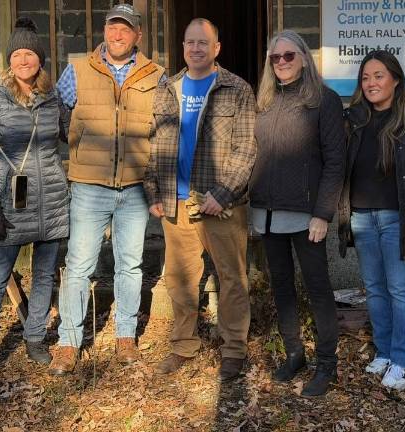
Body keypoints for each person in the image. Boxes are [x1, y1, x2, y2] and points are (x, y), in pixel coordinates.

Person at [48, 4, 165, 375]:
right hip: (88, 186)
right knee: (80, 265)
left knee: (130, 265)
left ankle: (126, 336)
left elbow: (163, 132)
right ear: (104, 31)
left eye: (125, 29)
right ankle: (68, 342)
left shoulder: (156, 76)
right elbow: (59, 116)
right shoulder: (77, 71)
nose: (117, 35)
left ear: (138, 36)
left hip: (134, 187)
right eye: (112, 28)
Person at [144, 18, 256, 382]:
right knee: (180, 278)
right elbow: (155, 143)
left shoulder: (235, 89)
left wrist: (222, 194)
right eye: (190, 42)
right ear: (183, 46)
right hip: (175, 202)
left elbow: (246, 149)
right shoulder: (168, 87)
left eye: (203, 43)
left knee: (232, 278)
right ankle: (183, 345)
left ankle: (234, 350)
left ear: (217, 48)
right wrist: (155, 190)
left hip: (220, 205)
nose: (196, 48)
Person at [0, 17, 69, 394]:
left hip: (51, 201)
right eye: (17, 54)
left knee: (45, 276)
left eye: (30, 53)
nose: (24, 60)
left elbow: (69, 132)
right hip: (10, 204)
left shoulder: (51, 96)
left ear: (40, 59)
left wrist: (80, 105)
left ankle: (34, 336)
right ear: (9, 60)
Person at [248, 30, 344, 397]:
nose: (282, 62)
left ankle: (327, 364)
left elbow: (336, 162)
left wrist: (323, 213)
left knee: (318, 290)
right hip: (267, 213)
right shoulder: (265, 102)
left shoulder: (324, 100)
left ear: (304, 57)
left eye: (289, 56)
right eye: (275, 58)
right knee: (282, 288)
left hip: (306, 216)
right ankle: (293, 353)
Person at [337, 50, 405, 391]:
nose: (371, 82)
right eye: (365, 77)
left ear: (395, 79)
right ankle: (385, 350)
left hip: (398, 218)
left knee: (401, 289)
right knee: (374, 289)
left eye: (378, 76)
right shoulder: (354, 120)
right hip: (361, 218)